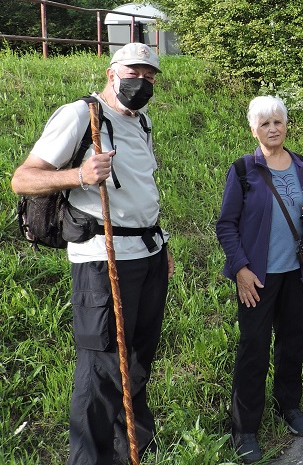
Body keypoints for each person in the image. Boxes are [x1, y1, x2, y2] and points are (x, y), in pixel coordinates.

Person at [11, 42, 174, 464]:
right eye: (135, 73)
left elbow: (141, 188)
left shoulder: (141, 121)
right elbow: (23, 178)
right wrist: (80, 174)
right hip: (103, 259)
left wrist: (162, 242)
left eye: (151, 76)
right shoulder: (81, 115)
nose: (143, 82)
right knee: (101, 367)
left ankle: (131, 449)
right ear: (112, 71)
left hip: (147, 252)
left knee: (138, 359)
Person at [216, 96, 303, 463]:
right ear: (253, 129)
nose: (273, 128)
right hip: (258, 277)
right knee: (253, 350)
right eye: (265, 124)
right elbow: (226, 225)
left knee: (292, 343)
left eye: (278, 121)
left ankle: (288, 406)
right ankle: (245, 428)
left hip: (297, 272)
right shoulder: (244, 170)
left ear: (286, 125)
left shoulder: (302, 166)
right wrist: (241, 269)